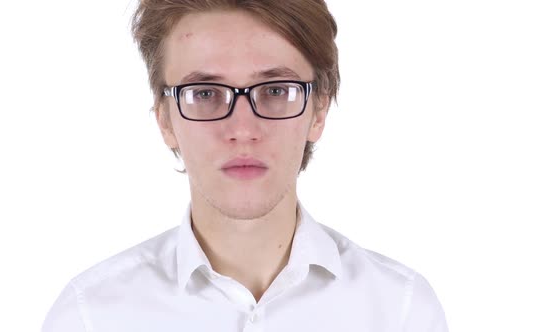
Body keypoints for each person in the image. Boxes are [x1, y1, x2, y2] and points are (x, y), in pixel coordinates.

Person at [42, 0, 449, 331]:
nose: (242, 129)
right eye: (204, 93)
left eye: (275, 90)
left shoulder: (401, 312)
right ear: (165, 118)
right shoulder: (88, 317)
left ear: (318, 110)